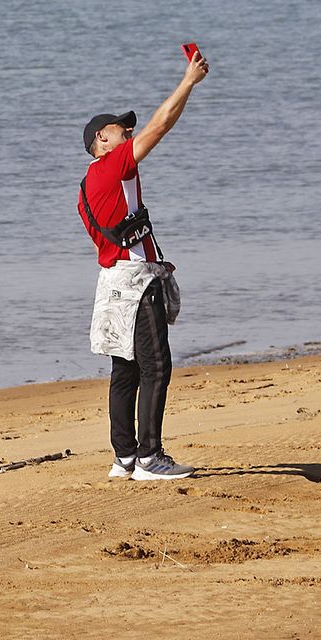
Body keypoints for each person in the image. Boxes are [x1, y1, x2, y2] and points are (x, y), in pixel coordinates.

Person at [77, 46, 209, 482]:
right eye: (120, 128)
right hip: (136, 283)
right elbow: (160, 125)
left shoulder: (86, 187)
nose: (128, 130)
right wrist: (188, 81)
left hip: (110, 282)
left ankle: (124, 459)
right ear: (102, 140)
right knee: (156, 366)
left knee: (124, 369)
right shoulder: (112, 166)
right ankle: (150, 458)